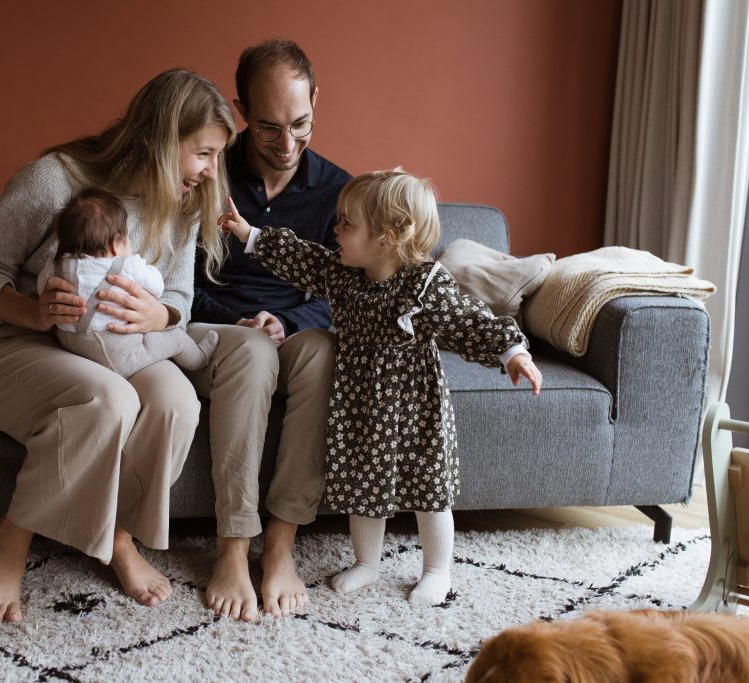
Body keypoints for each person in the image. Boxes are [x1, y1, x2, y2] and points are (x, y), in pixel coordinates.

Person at [0, 69, 235, 623]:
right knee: (111, 401)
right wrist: (30, 309)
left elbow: (179, 294)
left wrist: (162, 313)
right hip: (16, 345)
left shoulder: (178, 201)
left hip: (121, 348)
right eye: (203, 153)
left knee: (177, 403)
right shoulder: (55, 180)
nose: (210, 171)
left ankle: (119, 537)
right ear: (161, 139)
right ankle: (12, 535)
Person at [219, 169, 543, 605]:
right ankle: (367, 564)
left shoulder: (424, 285)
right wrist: (250, 235)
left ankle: (436, 571)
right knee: (362, 488)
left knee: (430, 492)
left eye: (347, 224)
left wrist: (512, 353)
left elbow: (468, 319)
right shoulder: (343, 273)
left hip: (415, 409)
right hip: (361, 405)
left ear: (387, 238)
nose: (335, 229)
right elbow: (303, 258)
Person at [186, 39, 350, 621]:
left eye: (301, 124)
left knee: (326, 354)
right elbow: (175, 279)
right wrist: (239, 322)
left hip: (295, 330)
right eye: (268, 128)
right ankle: (232, 549)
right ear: (239, 113)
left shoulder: (339, 192)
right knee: (252, 353)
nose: (286, 145)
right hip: (217, 329)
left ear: (315, 104)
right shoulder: (205, 171)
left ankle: (279, 547)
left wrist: (290, 320)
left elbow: (347, 292)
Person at [40, 186, 220, 378]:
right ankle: (200, 359)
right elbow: (158, 287)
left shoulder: (57, 264)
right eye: (127, 238)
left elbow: (43, 287)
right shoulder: (127, 265)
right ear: (116, 244)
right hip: (118, 354)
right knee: (175, 339)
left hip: (69, 341)